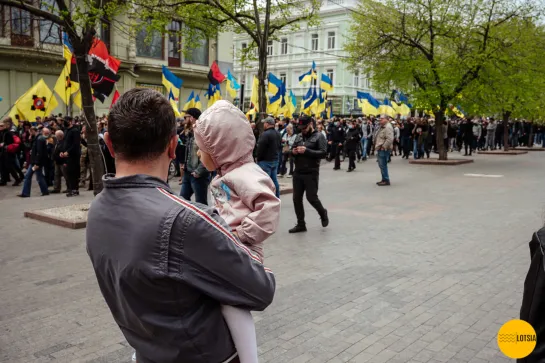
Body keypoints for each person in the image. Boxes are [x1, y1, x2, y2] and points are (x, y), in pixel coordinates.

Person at [87, 89, 275, 363]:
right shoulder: (187, 221)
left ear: (109, 144)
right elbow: (261, 289)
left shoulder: (97, 211)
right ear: (173, 147)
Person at [193, 100, 280, 363]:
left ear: (221, 149)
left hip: (244, 251)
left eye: (201, 149)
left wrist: (242, 235)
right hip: (229, 249)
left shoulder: (246, 174)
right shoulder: (225, 174)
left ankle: (249, 358)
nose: (198, 155)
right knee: (222, 302)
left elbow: (269, 207)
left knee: (233, 305)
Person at [289, 115, 328, 233]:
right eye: (301, 128)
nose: (303, 130)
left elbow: (323, 153)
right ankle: (301, 224)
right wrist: (294, 152)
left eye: (304, 127)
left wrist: (307, 151)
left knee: (311, 198)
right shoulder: (299, 136)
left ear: (310, 124)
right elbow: (291, 150)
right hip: (298, 172)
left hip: (311, 172)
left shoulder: (319, 136)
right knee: (296, 199)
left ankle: (322, 212)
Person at [180, 108, 210, 205]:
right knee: (183, 201)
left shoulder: (202, 133)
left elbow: (207, 154)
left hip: (198, 175)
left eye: (186, 117)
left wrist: (199, 171)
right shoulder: (190, 133)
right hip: (188, 173)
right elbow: (189, 152)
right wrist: (185, 164)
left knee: (201, 204)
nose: (184, 120)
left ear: (192, 118)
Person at [18, 128, 51, 197]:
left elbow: (39, 152)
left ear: (33, 131)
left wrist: (37, 163)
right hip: (35, 161)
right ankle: (44, 191)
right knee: (38, 176)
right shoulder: (38, 138)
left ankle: (26, 193)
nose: (30, 134)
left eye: (30, 132)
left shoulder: (39, 139)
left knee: (30, 176)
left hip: (35, 162)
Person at [256, 117, 281, 198]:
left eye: (264, 123)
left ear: (267, 124)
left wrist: (258, 158)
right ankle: (277, 197)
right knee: (274, 181)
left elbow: (260, 148)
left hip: (265, 161)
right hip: (275, 159)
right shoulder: (278, 133)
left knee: (265, 182)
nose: (264, 125)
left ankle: (267, 199)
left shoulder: (265, 134)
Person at [61, 116, 81, 197]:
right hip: (67, 155)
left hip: (73, 155)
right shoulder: (66, 130)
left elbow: (75, 144)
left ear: (70, 121)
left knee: (73, 172)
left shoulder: (75, 131)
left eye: (65, 121)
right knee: (68, 172)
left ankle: (74, 189)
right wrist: (62, 152)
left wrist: (68, 152)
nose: (63, 122)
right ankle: (70, 188)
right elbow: (65, 142)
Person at [374, 115, 394, 186]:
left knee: (383, 165)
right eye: (380, 119)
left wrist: (383, 147)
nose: (380, 120)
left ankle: (386, 180)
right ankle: (384, 179)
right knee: (381, 165)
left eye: (382, 119)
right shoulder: (382, 126)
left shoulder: (388, 127)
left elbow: (390, 139)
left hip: (383, 149)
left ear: (386, 119)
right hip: (380, 148)